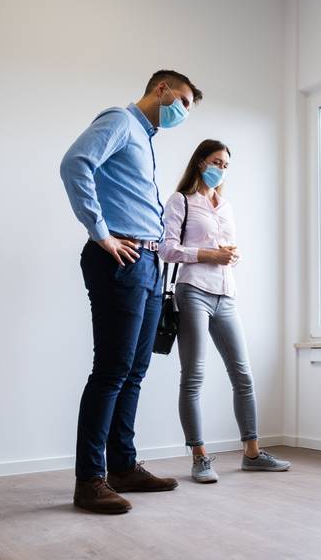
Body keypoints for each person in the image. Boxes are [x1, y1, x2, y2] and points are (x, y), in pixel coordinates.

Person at [60, 69, 203, 514]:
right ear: (161, 89)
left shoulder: (145, 139)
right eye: (180, 100)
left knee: (135, 370)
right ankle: (90, 480)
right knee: (112, 369)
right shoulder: (121, 122)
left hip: (146, 263)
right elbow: (74, 163)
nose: (181, 111)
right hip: (117, 258)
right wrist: (100, 233)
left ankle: (123, 466)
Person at [160, 139, 291, 483]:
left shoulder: (225, 206)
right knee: (193, 377)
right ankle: (200, 457)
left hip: (226, 293)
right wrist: (208, 255)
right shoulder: (182, 201)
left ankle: (252, 453)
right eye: (217, 161)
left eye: (226, 165)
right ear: (201, 161)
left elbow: (227, 248)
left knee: (243, 376)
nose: (221, 169)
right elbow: (167, 249)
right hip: (193, 293)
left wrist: (233, 255)